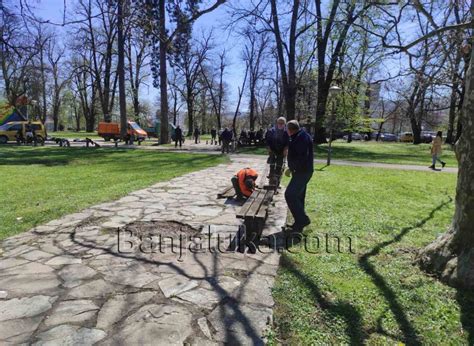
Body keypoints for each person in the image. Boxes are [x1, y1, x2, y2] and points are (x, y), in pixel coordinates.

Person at [285, 120, 313, 232]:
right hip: (301, 171)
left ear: (290, 130)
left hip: (303, 172)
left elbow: (302, 157)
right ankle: (299, 224)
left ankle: (303, 219)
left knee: (290, 195)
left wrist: (292, 168)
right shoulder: (299, 136)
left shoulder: (301, 138)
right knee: (298, 196)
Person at [266, 117, 289, 186]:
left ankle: (276, 183)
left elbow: (288, 142)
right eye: (279, 123)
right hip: (273, 150)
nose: (280, 124)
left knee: (279, 166)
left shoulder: (286, 132)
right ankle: (271, 182)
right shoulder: (271, 131)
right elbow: (267, 141)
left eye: (282, 123)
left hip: (281, 151)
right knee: (272, 165)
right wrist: (269, 148)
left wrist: (286, 149)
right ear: (277, 123)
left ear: (284, 124)